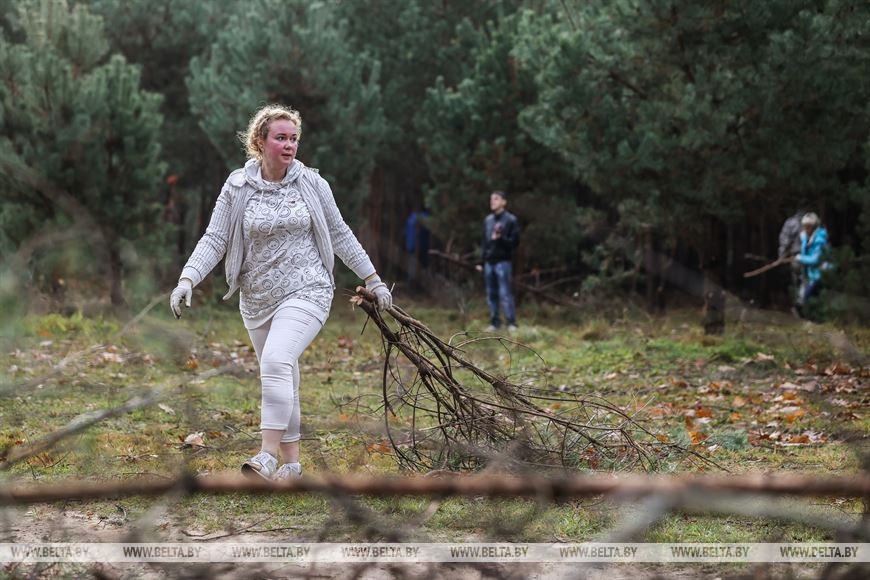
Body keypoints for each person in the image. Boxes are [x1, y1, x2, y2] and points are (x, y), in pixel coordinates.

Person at [168, 105, 392, 481]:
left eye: (294, 139)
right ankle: (291, 464)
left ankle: (266, 455)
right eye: (281, 138)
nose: (289, 146)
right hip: (256, 299)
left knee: (275, 361)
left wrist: (373, 279)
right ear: (260, 141)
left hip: (308, 288)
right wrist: (187, 279)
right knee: (282, 373)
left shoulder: (312, 183)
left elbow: (339, 233)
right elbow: (216, 237)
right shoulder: (237, 186)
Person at [475, 191, 519, 332]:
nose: (492, 201)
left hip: (503, 262)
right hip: (489, 262)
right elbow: (484, 243)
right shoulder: (488, 221)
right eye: (491, 199)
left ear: (504, 202)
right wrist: (481, 262)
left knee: (505, 293)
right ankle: (495, 323)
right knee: (491, 294)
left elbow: (514, 243)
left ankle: (511, 323)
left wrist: (500, 239)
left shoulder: (511, 220)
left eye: (496, 199)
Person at [793, 212, 829, 318]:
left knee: (807, 298)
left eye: (808, 226)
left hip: (820, 273)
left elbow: (815, 259)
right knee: (802, 298)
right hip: (809, 274)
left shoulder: (820, 240)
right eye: (805, 226)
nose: (806, 228)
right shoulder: (805, 238)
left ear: (814, 227)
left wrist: (800, 258)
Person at [778, 209, 805, 310]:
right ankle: (800, 305)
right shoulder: (815, 221)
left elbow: (785, 241)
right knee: (802, 280)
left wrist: (781, 255)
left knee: (800, 281)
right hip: (802, 256)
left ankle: (800, 304)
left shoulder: (791, 223)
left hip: (798, 255)